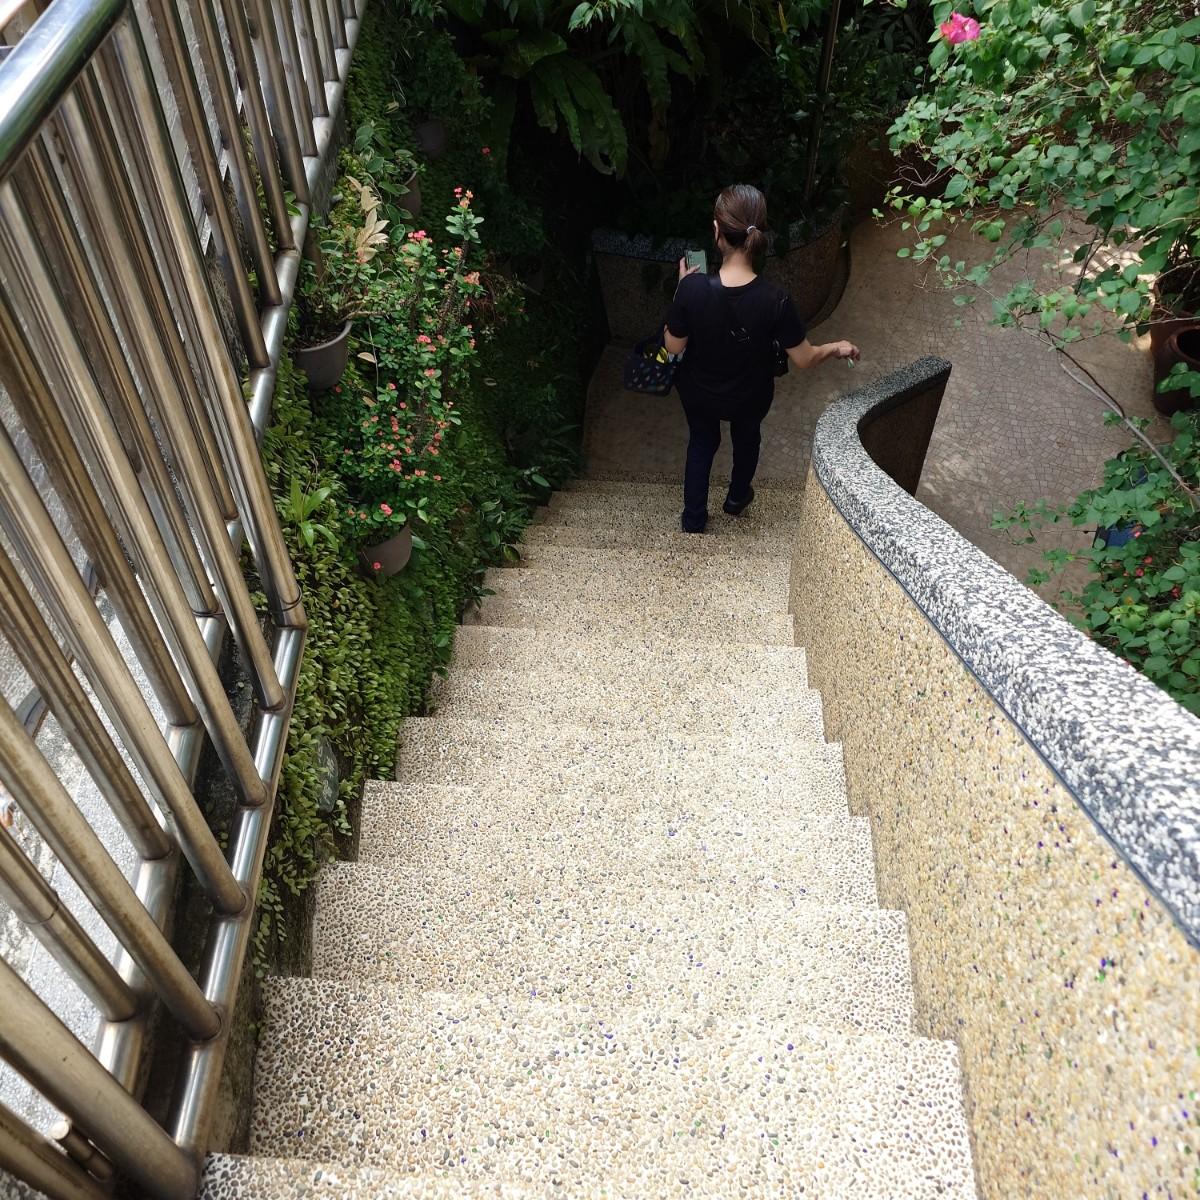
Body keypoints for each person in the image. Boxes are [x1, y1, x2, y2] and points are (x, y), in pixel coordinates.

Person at [663, 183, 861, 533]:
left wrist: (681, 291)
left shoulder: (691, 289)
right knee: (747, 438)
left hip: (700, 391)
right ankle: (736, 498)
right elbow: (804, 358)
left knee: (702, 442)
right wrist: (836, 347)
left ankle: (693, 519)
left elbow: (674, 348)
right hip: (749, 395)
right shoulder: (776, 299)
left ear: (716, 231)